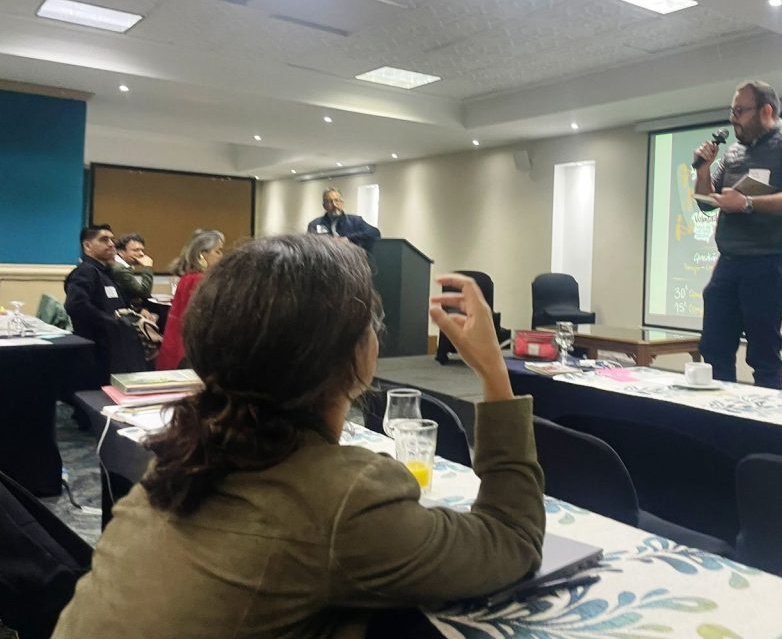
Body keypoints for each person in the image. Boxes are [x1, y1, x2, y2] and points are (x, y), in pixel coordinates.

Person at [52, 237, 545, 638]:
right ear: (353, 356)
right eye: (370, 322)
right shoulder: (344, 499)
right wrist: (495, 377)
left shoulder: (182, 451)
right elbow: (513, 540)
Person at [693, 80, 782, 389]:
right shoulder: (734, 153)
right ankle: (716, 425)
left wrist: (748, 203)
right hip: (729, 263)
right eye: (732, 110)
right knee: (713, 350)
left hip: (770, 264)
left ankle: (763, 431)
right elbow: (706, 205)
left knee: (762, 355)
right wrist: (702, 171)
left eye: (740, 110)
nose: (732, 118)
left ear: (766, 110)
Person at [63, 224, 134, 387]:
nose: (111, 244)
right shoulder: (86, 271)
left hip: (110, 346)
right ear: (87, 246)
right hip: (94, 348)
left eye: (112, 239)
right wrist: (111, 321)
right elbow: (75, 305)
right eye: (104, 240)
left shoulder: (104, 272)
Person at [154, 229, 224, 370]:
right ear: (202, 254)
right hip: (187, 349)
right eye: (218, 251)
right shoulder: (198, 280)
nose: (222, 256)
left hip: (177, 344)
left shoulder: (189, 277)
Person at [307, 187, 381, 251]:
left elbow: (374, 232)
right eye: (329, 201)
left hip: (349, 262)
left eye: (336, 200)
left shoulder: (355, 221)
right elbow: (308, 246)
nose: (334, 205)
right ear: (324, 206)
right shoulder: (315, 224)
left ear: (342, 203)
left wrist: (348, 239)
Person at [110, 232, 154, 308]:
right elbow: (144, 292)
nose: (141, 254)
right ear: (121, 252)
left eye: (142, 250)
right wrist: (147, 267)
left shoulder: (123, 266)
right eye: (136, 250)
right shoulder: (120, 269)